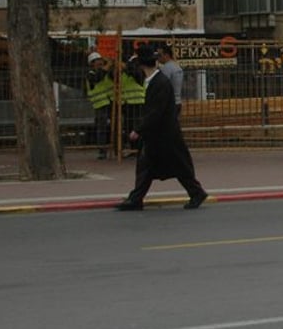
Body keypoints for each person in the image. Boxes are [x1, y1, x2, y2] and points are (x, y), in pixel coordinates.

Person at [116, 45, 207, 211]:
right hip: (157, 135)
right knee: (147, 167)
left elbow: (155, 112)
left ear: (142, 64)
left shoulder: (160, 83)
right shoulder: (152, 81)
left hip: (165, 135)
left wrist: (138, 129)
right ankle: (136, 199)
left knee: (177, 167)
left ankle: (197, 192)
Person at [85, 51, 115, 160]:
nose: (100, 63)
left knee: (115, 126)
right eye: (97, 61)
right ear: (92, 63)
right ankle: (102, 151)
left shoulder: (106, 72)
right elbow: (98, 78)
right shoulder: (91, 74)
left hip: (111, 101)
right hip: (100, 103)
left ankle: (117, 149)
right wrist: (107, 67)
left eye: (101, 61)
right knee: (101, 128)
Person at [156, 44, 184, 117]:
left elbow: (162, 85)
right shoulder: (177, 67)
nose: (158, 58)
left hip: (168, 103)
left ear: (167, 55)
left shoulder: (166, 68)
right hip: (177, 101)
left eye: (159, 55)